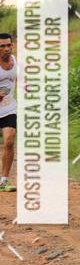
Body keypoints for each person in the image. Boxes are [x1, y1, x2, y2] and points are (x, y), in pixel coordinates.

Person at [0, 33, 17, 192]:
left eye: (8, 45)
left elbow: (16, 78)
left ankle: (3, 180)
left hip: (8, 108)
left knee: (9, 141)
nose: (6, 49)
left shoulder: (15, 61)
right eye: (2, 46)